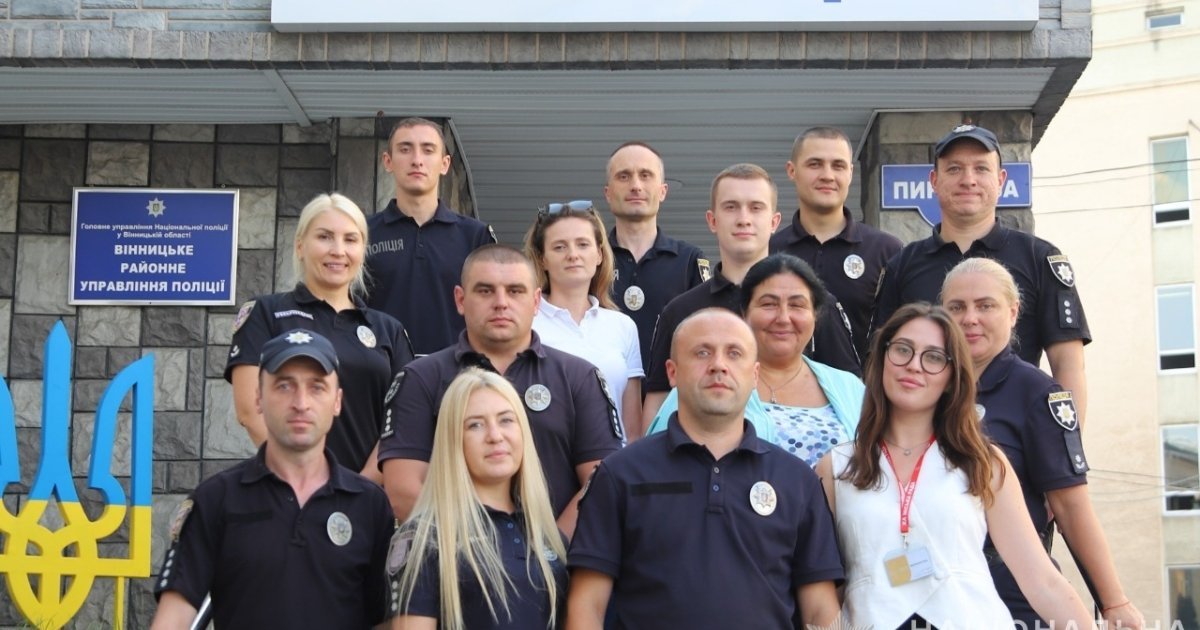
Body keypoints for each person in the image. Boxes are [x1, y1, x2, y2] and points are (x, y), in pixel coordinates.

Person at [816, 304, 1096, 630]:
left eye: (934, 357)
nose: (914, 365)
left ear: (952, 377)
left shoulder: (983, 462)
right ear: (881, 360)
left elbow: (1042, 580)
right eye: (902, 350)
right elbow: (821, 592)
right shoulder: (836, 468)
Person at [567, 309, 843, 630]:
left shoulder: (797, 481)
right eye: (702, 352)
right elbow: (587, 606)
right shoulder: (621, 474)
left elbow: (820, 613)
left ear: (754, 376)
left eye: (734, 353)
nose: (718, 365)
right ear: (672, 372)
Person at [940, 258, 1144, 629]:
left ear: (1013, 312)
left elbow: (1071, 506)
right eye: (957, 307)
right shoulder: (925, 386)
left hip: (1010, 587)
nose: (970, 318)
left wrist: (1114, 602)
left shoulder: (1037, 393)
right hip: (932, 588)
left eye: (985, 306)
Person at [152, 330, 394, 629]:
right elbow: (173, 619)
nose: (301, 403)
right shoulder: (215, 499)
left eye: (317, 387)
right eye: (284, 386)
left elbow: (384, 619)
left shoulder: (370, 505)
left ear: (337, 401)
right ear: (258, 398)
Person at [378, 244, 623, 538]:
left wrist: (549, 553)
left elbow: (600, 483)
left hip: (561, 559)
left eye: (515, 291)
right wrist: (478, 552)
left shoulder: (579, 377)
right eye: (485, 291)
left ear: (536, 301)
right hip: (455, 558)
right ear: (460, 299)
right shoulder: (420, 378)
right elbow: (403, 490)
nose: (501, 303)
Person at [873, 124, 1091, 425]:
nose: (968, 180)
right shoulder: (903, 265)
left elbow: (1068, 365)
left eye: (981, 168)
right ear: (934, 180)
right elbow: (882, 362)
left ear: (1000, 180)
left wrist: (1066, 441)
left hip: (1017, 432)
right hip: (927, 432)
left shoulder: (1039, 258)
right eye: (954, 169)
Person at [642, 163, 858, 429]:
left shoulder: (812, 307)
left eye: (756, 207)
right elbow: (658, 402)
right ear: (712, 220)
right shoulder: (681, 311)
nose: (743, 219)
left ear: (774, 222)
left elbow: (849, 397)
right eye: (731, 207)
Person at [226, 192, 413, 482]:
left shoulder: (388, 330)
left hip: (369, 494)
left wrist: (359, 487)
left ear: (363, 250)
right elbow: (250, 411)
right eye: (324, 237)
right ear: (300, 245)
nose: (338, 250)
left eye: (350, 240)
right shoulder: (265, 313)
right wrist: (307, 480)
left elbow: (403, 420)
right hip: (287, 489)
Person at [645, 254, 864, 468]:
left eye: (797, 305)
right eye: (769, 304)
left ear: (815, 315)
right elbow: (655, 465)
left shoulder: (850, 388)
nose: (783, 318)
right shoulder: (705, 383)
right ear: (744, 312)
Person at [389, 368, 567, 630]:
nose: (495, 436)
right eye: (475, 424)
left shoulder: (548, 535)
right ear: (453, 440)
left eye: (506, 420)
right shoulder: (426, 537)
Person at [365, 117, 497, 356]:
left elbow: (492, 310)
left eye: (428, 150)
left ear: (444, 164)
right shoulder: (361, 234)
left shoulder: (475, 236)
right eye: (405, 149)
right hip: (380, 370)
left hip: (456, 372)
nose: (417, 160)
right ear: (388, 161)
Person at [771, 126, 902, 357]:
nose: (827, 175)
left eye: (838, 166)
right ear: (792, 171)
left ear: (850, 173)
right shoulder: (769, 251)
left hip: (860, 382)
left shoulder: (887, 250)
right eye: (815, 164)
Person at [525, 200, 644, 439]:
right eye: (559, 247)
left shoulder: (623, 326)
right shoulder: (526, 323)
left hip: (612, 460)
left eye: (582, 244)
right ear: (542, 259)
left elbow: (632, 431)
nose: (573, 255)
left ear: (599, 254)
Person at [604, 141, 709, 373]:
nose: (635, 186)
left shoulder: (688, 261)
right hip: (597, 390)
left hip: (669, 391)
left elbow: (706, 335)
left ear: (663, 191)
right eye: (624, 176)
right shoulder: (591, 259)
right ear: (608, 193)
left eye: (645, 175)